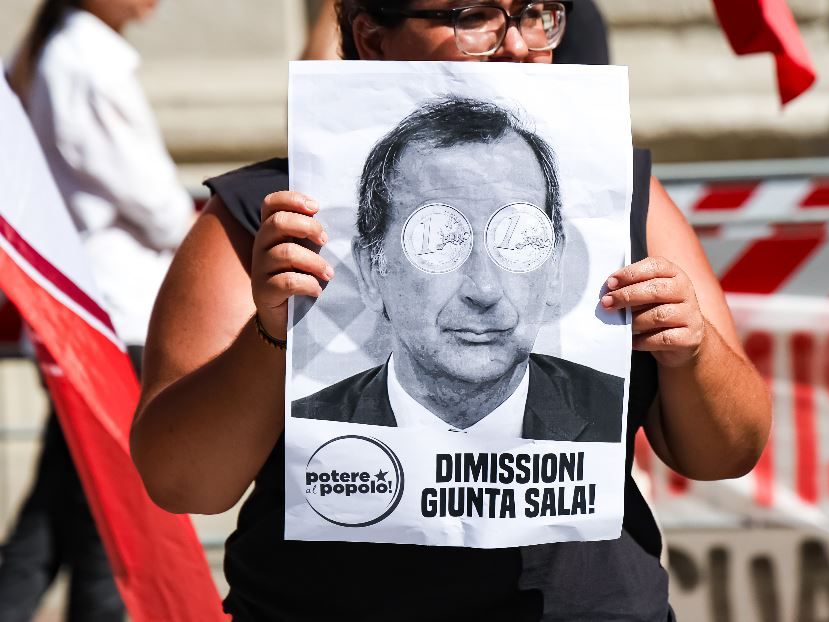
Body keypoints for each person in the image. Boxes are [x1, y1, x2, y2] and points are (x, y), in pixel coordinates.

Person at [131, 1, 772, 620]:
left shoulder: (622, 198)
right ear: (372, 38)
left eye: (535, 12)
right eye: (473, 16)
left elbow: (728, 452)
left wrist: (695, 353)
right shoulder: (266, 214)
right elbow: (184, 483)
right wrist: (271, 336)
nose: (518, 43)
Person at [1, 1, 193, 620]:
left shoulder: (59, 53)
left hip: (96, 311)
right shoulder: (86, 61)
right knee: (107, 522)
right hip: (115, 316)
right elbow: (158, 204)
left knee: (63, 507)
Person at [291, 96, 625, 441]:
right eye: (438, 241)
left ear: (554, 266)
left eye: (517, 241)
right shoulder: (305, 431)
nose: (484, 289)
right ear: (371, 271)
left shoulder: (616, 412)